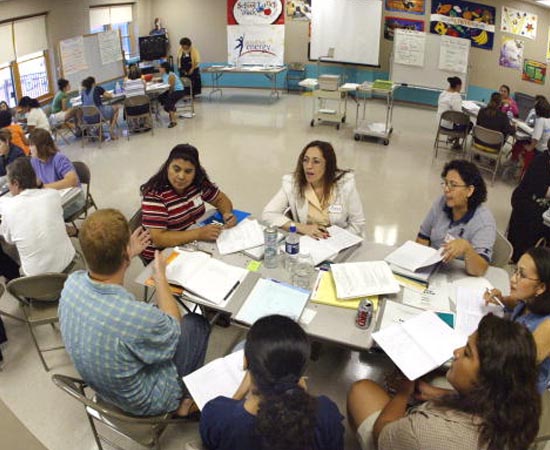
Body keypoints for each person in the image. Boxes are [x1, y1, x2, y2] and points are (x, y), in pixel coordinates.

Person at [59, 209, 210, 417]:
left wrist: (124, 254)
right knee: (195, 323)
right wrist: (160, 278)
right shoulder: (132, 316)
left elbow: (103, 273)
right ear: (124, 254)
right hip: (144, 403)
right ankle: (183, 402)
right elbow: (175, 328)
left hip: (104, 390)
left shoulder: (71, 284)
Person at [347, 314, 541, 450]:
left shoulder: (426, 430)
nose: (456, 352)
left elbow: (382, 433)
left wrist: (403, 392)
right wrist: (434, 393)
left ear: (486, 379)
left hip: (403, 437)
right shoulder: (521, 408)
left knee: (361, 390)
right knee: (437, 380)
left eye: (467, 353)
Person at [200, 315, 344, 450]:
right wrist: (301, 395)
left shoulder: (218, 414)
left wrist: (239, 393)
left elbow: (212, 441)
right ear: (302, 369)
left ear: (245, 362)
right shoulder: (326, 412)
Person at [141, 144, 237, 262]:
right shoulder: (155, 194)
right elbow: (158, 238)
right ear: (167, 167)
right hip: (163, 254)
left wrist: (227, 213)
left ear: (195, 172)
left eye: (188, 171)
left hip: (191, 243)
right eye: (176, 169)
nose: (181, 176)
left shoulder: (198, 183)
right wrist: (198, 233)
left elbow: (220, 199)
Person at [262, 140, 365, 238]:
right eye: (305, 160)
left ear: (328, 165)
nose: (308, 166)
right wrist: (303, 228)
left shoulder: (345, 184)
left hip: (340, 243)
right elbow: (268, 214)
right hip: (308, 241)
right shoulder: (292, 183)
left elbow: (357, 223)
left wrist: (335, 240)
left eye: (316, 162)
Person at [0, 158, 80, 279]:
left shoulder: (8, 209)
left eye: (9, 183)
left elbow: (9, 240)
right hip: (69, 268)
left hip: (37, 283)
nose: (9, 187)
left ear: (16, 183)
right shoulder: (52, 195)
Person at [484, 247, 550, 392]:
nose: (513, 279)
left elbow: (517, 368)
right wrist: (500, 299)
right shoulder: (528, 300)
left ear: (541, 287)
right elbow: (512, 303)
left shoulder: (547, 327)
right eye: (516, 271)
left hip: (518, 393)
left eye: (522, 275)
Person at [417, 159, 496, 276]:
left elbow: (479, 270)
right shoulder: (441, 203)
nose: (446, 189)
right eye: (445, 183)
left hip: (460, 276)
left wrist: (467, 249)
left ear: (469, 190)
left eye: (453, 185)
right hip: (432, 270)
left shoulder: (484, 222)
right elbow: (422, 238)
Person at [28, 128, 86, 220]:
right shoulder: (34, 161)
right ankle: (65, 230)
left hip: (74, 199)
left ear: (41, 146)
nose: (29, 148)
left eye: (31, 145)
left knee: (45, 217)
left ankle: (70, 231)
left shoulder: (59, 159)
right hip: (54, 199)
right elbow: (37, 181)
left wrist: (45, 187)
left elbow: (72, 181)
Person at [508, 142, 550, 262]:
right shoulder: (540, 162)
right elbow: (544, 191)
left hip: (541, 203)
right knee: (540, 222)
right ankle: (524, 256)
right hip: (526, 201)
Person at [510, 98, 550, 177]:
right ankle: (516, 164)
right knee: (521, 143)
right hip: (546, 149)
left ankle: (517, 165)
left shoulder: (540, 120)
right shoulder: (548, 119)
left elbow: (533, 143)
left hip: (538, 151)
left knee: (519, 144)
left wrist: (528, 148)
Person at [157, 61, 184, 128]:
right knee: (160, 97)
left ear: (164, 68)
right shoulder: (164, 75)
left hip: (178, 91)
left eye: (160, 67)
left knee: (168, 102)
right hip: (171, 90)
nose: (159, 69)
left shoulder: (171, 75)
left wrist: (168, 97)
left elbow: (171, 88)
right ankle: (172, 109)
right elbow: (164, 80)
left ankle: (173, 121)